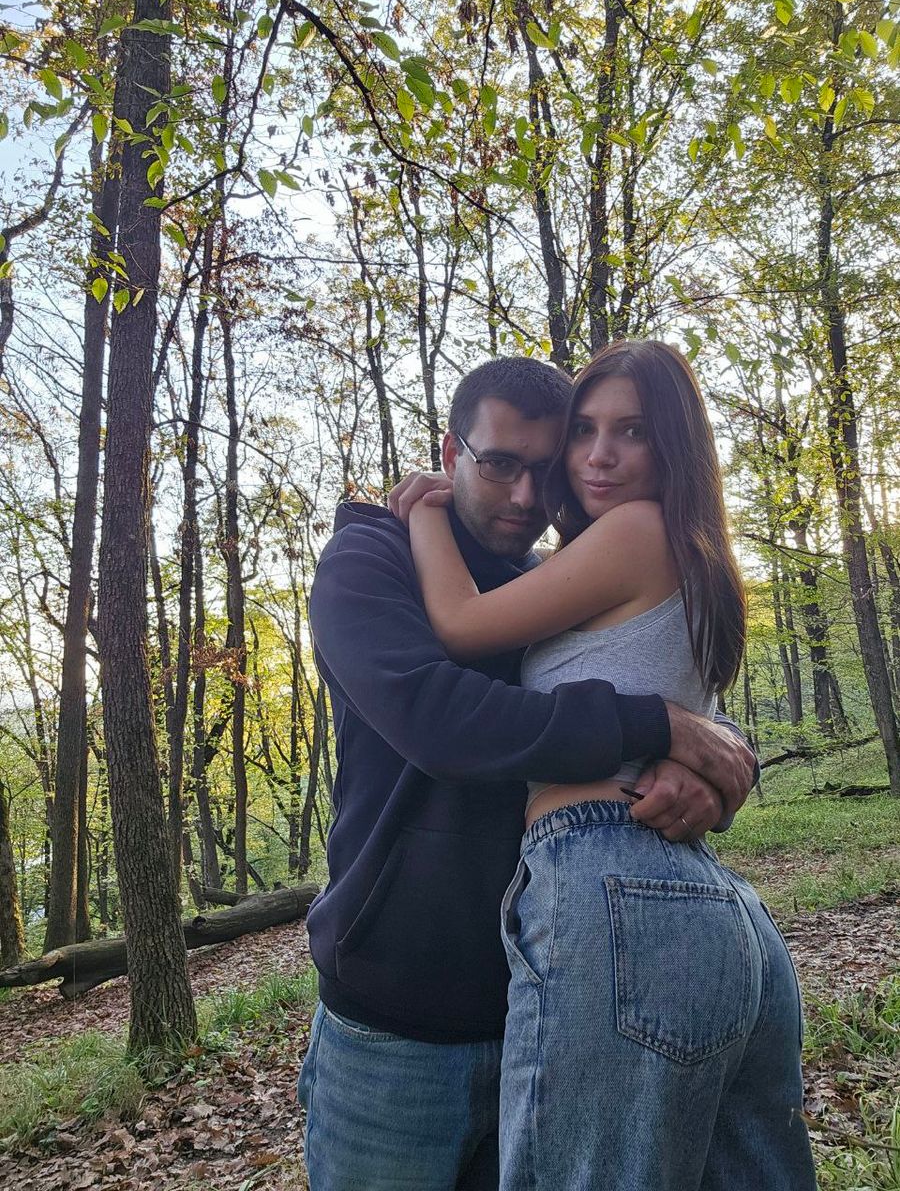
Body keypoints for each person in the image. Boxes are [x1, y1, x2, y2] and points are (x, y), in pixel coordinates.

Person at [300, 356, 758, 1190]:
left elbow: (661, 672)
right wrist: (654, 727)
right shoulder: (369, 557)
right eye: (500, 464)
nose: (524, 496)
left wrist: (716, 764)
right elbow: (439, 720)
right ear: (452, 452)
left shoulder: (551, 574)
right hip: (397, 1023)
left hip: (553, 989)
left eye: (544, 472)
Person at [398, 340, 816, 1191]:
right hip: (713, 905)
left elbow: (461, 624)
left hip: (605, 883)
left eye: (632, 430)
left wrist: (424, 511)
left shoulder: (634, 529)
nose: (598, 454)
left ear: (675, 445)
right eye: (584, 430)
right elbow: (693, 719)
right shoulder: (691, 551)